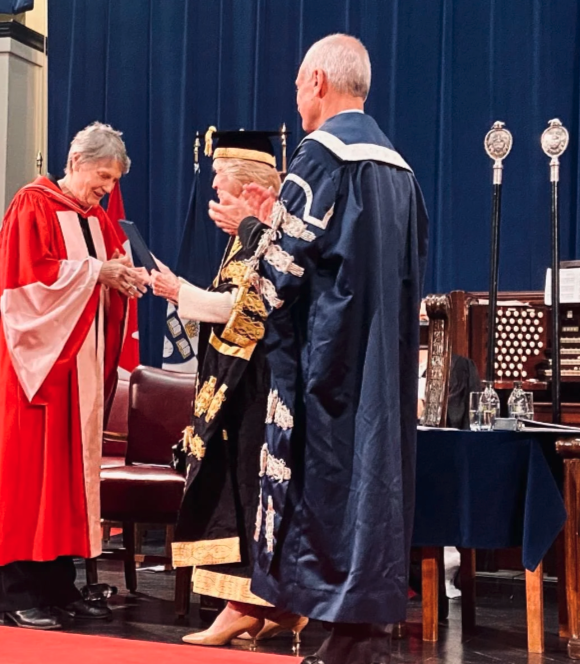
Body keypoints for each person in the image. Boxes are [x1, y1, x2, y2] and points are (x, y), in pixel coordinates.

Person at [214, 34, 429, 664]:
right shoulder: (400, 169)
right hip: (381, 370)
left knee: (325, 492)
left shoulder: (321, 158)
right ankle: (359, 636)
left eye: (298, 87)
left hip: (326, 368)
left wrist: (252, 230)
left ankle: (339, 634)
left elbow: (282, 271)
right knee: (373, 489)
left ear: (315, 82)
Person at [0, 122, 147, 630]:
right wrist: (97, 274)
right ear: (75, 162)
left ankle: (57, 587)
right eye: (102, 176)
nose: (107, 189)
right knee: (27, 480)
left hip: (76, 370)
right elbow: (27, 283)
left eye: (113, 180)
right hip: (34, 371)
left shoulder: (96, 219)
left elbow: (107, 271)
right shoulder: (34, 204)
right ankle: (18, 594)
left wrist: (123, 279)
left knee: (64, 483)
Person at [150, 130, 307, 647]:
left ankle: (244, 605)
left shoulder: (264, 234)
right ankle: (268, 605)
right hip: (243, 382)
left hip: (257, 385)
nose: (215, 198)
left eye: (220, 186)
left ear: (246, 190)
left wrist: (179, 293)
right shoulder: (249, 235)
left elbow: (245, 310)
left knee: (247, 489)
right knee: (247, 492)